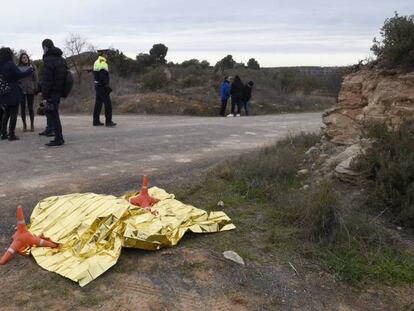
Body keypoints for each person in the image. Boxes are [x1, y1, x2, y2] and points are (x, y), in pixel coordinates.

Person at [0, 47, 34, 141]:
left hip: (3, 92)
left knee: (6, 114)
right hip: (13, 92)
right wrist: (29, 70)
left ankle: (3, 134)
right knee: (13, 114)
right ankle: (11, 135)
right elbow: (20, 74)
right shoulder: (10, 64)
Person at [40, 39, 67, 146]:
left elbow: (47, 80)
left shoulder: (48, 60)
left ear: (45, 47)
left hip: (52, 92)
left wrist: (45, 95)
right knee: (53, 113)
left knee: (53, 115)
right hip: (59, 91)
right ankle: (58, 136)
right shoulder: (61, 59)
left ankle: (59, 138)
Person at [93, 50, 116, 127]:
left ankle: (96, 121)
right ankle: (108, 122)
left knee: (98, 104)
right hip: (102, 86)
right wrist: (106, 86)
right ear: (103, 54)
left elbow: (97, 73)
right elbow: (102, 75)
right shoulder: (102, 62)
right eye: (106, 54)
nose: (107, 55)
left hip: (97, 85)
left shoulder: (97, 61)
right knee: (108, 104)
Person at [18, 52, 38, 132]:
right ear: (21, 59)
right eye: (23, 57)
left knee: (30, 108)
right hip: (21, 90)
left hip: (30, 89)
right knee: (23, 108)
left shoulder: (32, 67)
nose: (25, 59)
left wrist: (36, 87)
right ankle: (24, 125)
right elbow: (16, 78)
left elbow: (36, 78)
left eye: (26, 57)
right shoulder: (18, 67)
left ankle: (32, 125)